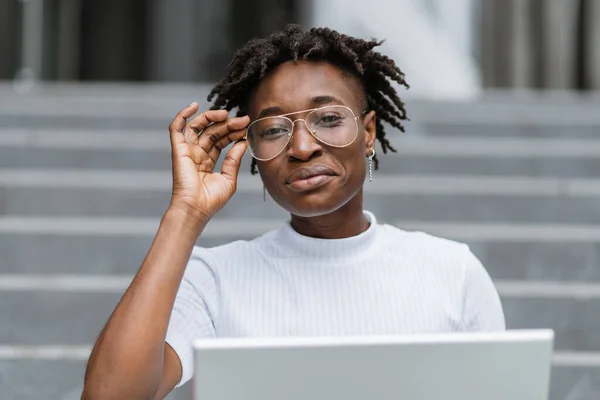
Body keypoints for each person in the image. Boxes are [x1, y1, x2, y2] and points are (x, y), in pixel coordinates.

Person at [82, 25, 505, 399]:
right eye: (273, 129)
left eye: (328, 118)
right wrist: (184, 214)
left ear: (369, 132)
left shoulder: (453, 272)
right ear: (252, 150)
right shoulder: (213, 280)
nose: (303, 148)